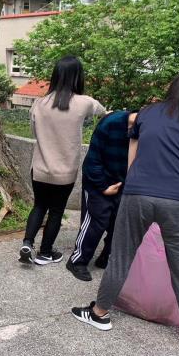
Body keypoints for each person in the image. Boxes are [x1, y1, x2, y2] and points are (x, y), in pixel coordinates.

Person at [71, 67, 179, 354]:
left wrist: (136, 191)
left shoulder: (148, 113)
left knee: (121, 257)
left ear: (175, 86)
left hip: (137, 194)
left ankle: (99, 313)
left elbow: (132, 161)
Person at [19, 56, 105, 266]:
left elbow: (34, 132)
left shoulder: (39, 104)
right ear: (78, 77)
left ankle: (27, 243)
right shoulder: (84, 103)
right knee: (56, 211)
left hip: (39, 168)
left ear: (55, 76)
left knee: (39, 206)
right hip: (65, 171)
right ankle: (45, 253)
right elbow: (103, 112)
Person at [66, 110, 138, 281]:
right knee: (95, 222)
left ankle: (106, 257)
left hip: (123, 183)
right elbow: (93, 160)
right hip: (98, 181)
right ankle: (77, 261)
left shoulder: (146, 131)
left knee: (118, 223)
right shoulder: (111, 124)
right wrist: (103, 186)